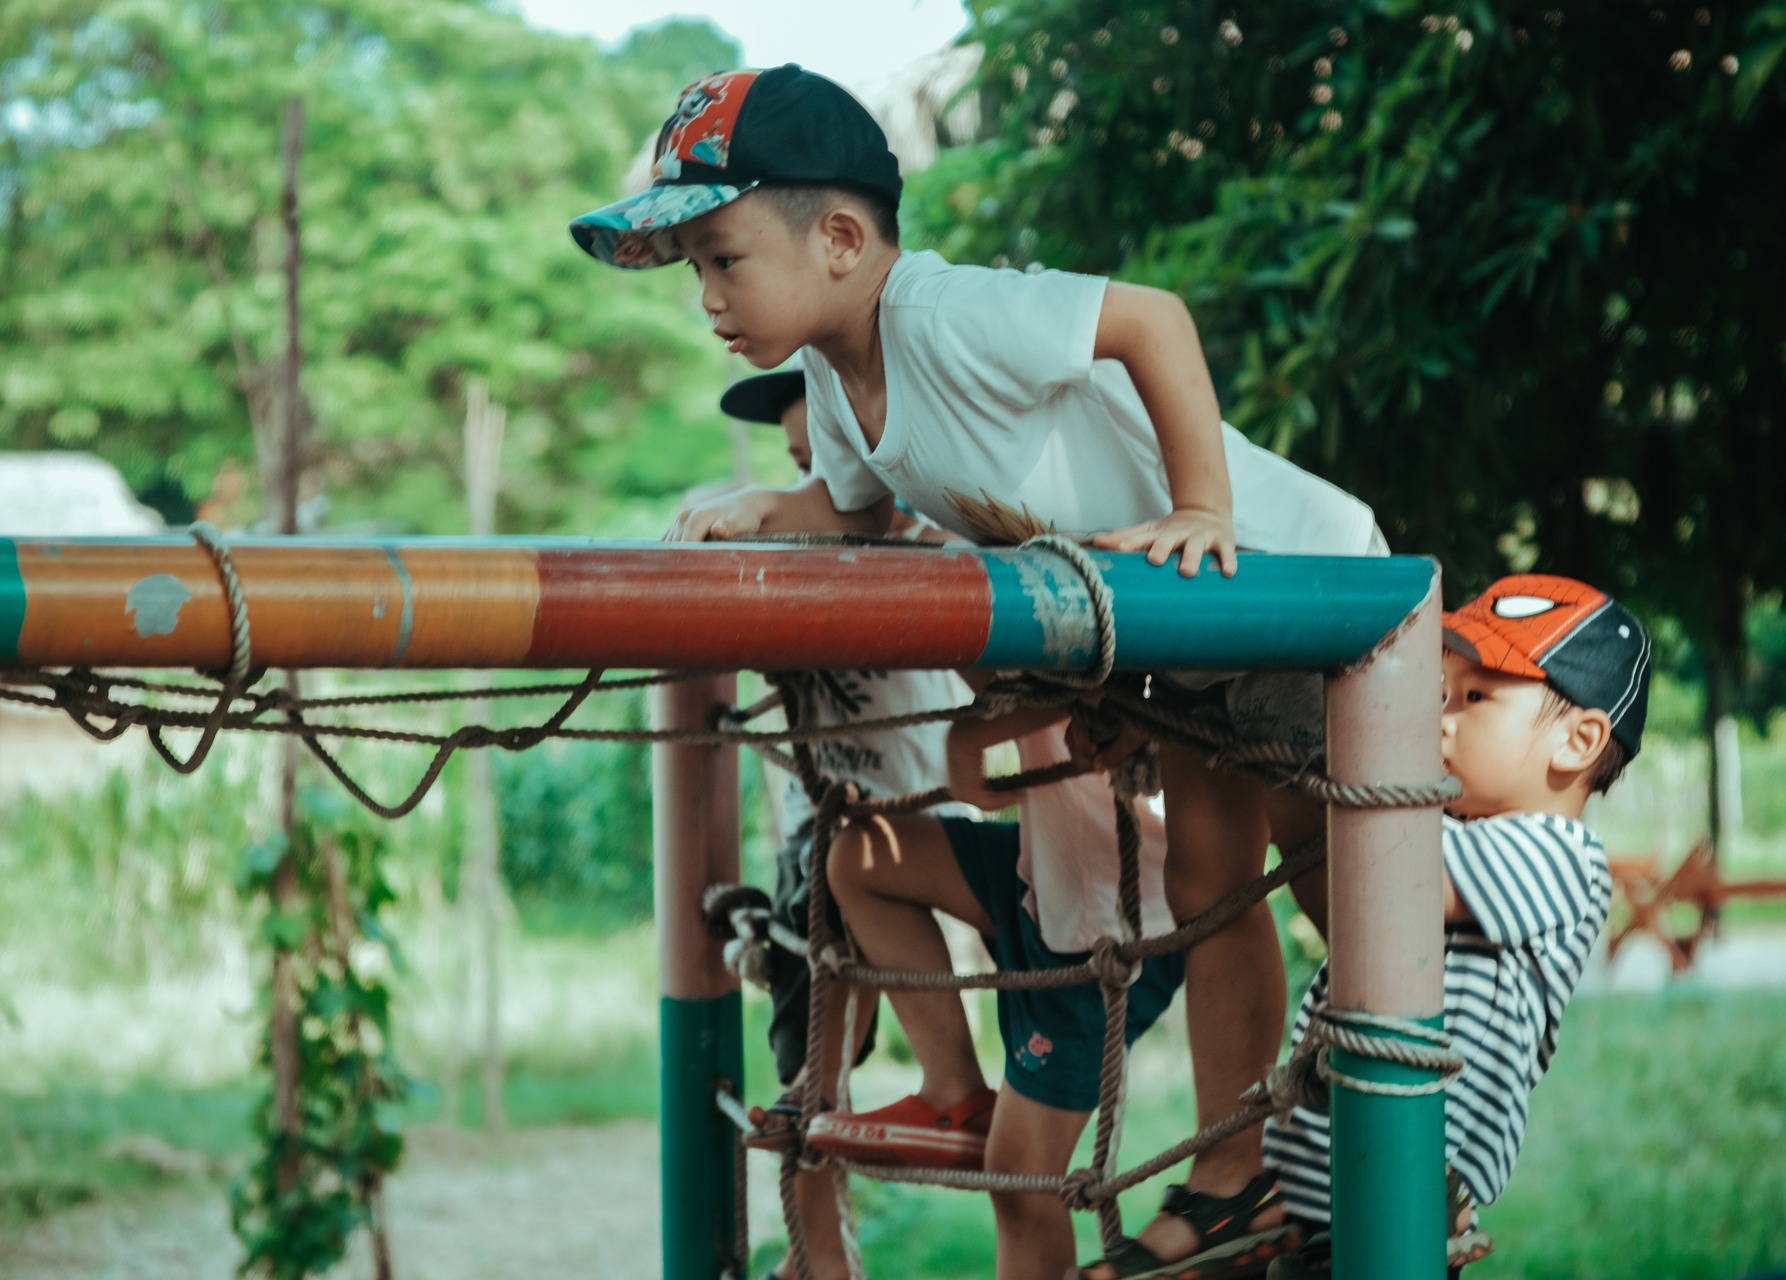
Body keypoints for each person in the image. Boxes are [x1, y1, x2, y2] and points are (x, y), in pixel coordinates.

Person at [570, 64, 1383, 1277]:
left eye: (723, 257)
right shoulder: (842, 385)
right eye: (693, 269)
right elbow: (853, 513)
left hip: (1279, 574)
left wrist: (1201, 504)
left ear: (841, 238)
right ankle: (1238, 1177)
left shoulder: (946, 317)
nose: (707, 296)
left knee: (1345, 892)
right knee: (1216, 873)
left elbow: (1152, 317)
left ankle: (1400, 1152)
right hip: (1185, 627)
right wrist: (769, 510)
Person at [1264, 574, 1647, 1273]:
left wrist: (1329, 750)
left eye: (1475, 698)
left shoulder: (1561, 857)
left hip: (1407, 1196)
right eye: (1438, 695)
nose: (1440, 718)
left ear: (1578, 740)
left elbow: (1400, 875)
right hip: (1325, 1194)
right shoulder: (1449, 831)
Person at [709, 369, 973, 1280]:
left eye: (841, 469)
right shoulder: (784, 563)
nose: (818, 491)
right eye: (799, 468)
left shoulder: (940, 554)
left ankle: (944, 1106)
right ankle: (819, 1257)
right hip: (813, 845)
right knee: (808, 1082)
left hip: (920, 831)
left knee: (823, 1071)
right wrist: (750, 519)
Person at [810, 699, 1186, 1280]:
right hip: (1045, 864)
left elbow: (1113, 669)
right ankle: (952, 1091)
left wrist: (969, 738)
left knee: (1019, 1178)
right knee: (861, 857)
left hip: (1110, 916)